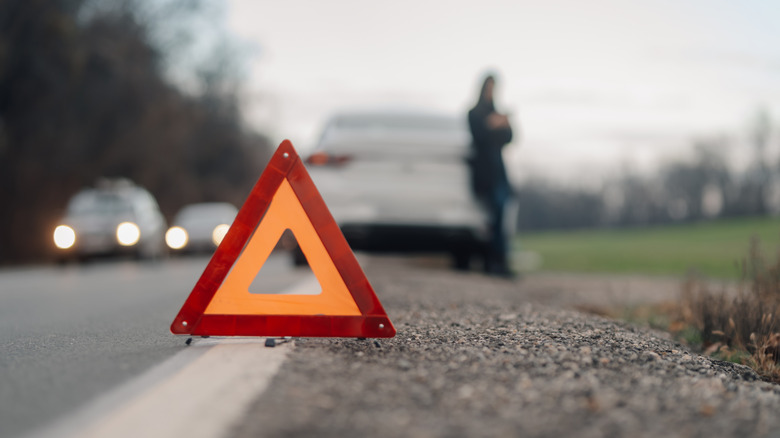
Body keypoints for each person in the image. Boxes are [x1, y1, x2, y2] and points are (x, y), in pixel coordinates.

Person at [468, 74, 514, 277]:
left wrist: (503, 124)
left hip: (500, 173)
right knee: (488, 219)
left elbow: (510, 138)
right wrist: (492, 125)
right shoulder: (474, 113)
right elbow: (479, 138)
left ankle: (499, 261)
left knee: (501, 218)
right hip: (484, 174)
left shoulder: (497, 113)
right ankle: (489, 262)